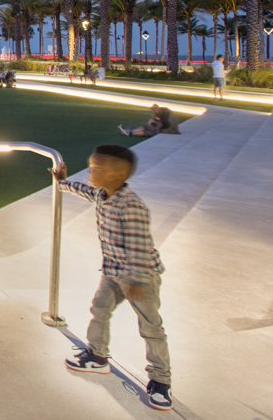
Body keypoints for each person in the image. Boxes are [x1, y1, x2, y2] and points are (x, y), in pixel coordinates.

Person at [52, 145, 173, 411]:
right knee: (99, 309)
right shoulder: (103, 194)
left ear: (119, 173)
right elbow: (84, 191)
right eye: (91, 166)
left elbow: (140, 247)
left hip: (140, 277)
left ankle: (161, 381)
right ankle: (97, 355)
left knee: (150, 326)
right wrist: (62, 183)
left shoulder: (131, 207)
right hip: (113, 271)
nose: (90, 173)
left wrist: (138, 282)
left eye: (96, 169)